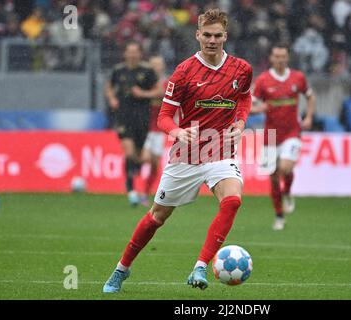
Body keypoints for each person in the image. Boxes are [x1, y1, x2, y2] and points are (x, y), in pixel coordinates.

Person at [103, 8, 253, 292]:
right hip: (186, 156)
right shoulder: (183, 72)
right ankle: (122, 268)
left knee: (232, 201)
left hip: (220, 151)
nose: (211, 40)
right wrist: (177, 131)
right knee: (157, 217)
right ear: (198, 35)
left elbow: (244, 97)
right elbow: (163, 116)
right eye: (206, 35)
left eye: (217, 35)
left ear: (225, 36)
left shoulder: (242, 69)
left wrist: (241, 121)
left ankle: (200, 267)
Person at [251, 44, 316, 231]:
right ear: (271, 58)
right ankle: (279, 216)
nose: (280, 59)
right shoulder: (263, 80)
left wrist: (309, 116)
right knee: (272, 177)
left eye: (283, 56)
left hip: (292, 132)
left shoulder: (298, 77)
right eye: (277, 56)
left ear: (287, 58)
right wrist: (259, 109)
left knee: (285, 168)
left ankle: (287, 191)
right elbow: (250, 106)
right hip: (270, 135)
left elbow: (310, 97)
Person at [105, 41, 162, 207]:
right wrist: (112, 99)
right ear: (125, 54)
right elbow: (108, 86)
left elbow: (159, 91)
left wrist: (143, 93)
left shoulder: (147, 71)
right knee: (129, 152)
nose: (132, 55)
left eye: (135, 52)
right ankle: (130, 189)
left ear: (139, 53)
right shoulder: (118, 70)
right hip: (123, 117)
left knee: (139, 157)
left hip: (142, 119)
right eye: (129, 52)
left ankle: (134, 178)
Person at [139, 55, 168, 206]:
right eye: (154, 65)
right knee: (144, 158)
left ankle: (144, 193)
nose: (156, 67)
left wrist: (144, 95)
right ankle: (133, 184)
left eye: (159, 64)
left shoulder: (167, 83)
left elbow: (163, 94)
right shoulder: (144, 82)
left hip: (158, 129)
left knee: (155, 166)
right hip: (144, 127)